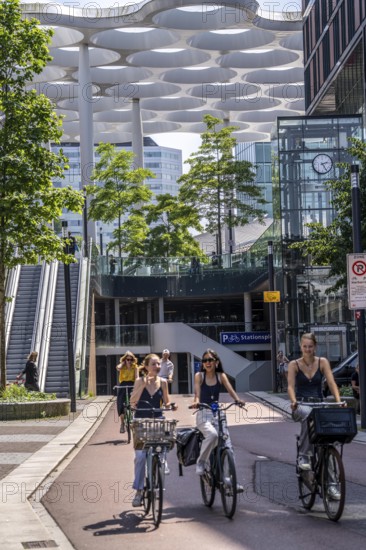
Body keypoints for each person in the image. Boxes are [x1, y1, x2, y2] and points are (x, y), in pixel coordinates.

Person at [287, 332, 342, 471]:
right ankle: (304, 455)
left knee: (327, 440)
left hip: (319, 403)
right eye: (305, 346)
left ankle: (331, 484)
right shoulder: (294, 365)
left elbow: (331, 382)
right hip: (300, 405)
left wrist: (339, 401)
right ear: (301, 347)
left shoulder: (322, 362)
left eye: (310, 346)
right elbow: (290, 387)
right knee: (308, 415)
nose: (307, 349)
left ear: (315, 347)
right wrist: (293, 402)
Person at [129, 353, 177, 507]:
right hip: (141, 422)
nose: (157, 367)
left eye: (158, 364)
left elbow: (167, 402)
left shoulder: (163, 382)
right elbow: (133, 402)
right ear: (146, 366)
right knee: (141, 457)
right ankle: (139, 491)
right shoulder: (139, 381)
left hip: (157, 420)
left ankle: (162, 460)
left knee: (165, 443)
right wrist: (143, 384)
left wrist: (172, 406)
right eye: (154, 364)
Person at [191, 348, 246, 476]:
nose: (207, 363)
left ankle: (230, 481)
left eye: (210, 360)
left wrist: (238, 400)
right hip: (203, 412)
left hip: (218, 413)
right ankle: (202, 462)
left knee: (228, 446)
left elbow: (231, 390)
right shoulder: (199, 376)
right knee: (212, 435)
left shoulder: (221, 376)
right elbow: (197, 394)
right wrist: (196, 402)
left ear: (216, 362)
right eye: (205, 360)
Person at [116, 351, 139, 433]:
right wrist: (122, 363)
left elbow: (137, 378)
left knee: (135, 402)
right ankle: (122, 424)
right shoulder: (122, 366)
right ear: (125, 359)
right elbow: (118, 368)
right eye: (127, 359)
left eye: (131, 359)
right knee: (120, 404)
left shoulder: (135, 367)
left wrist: (137, 386)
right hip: (123, 385)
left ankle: (134, 419)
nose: (129, 361)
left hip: (132, 385)